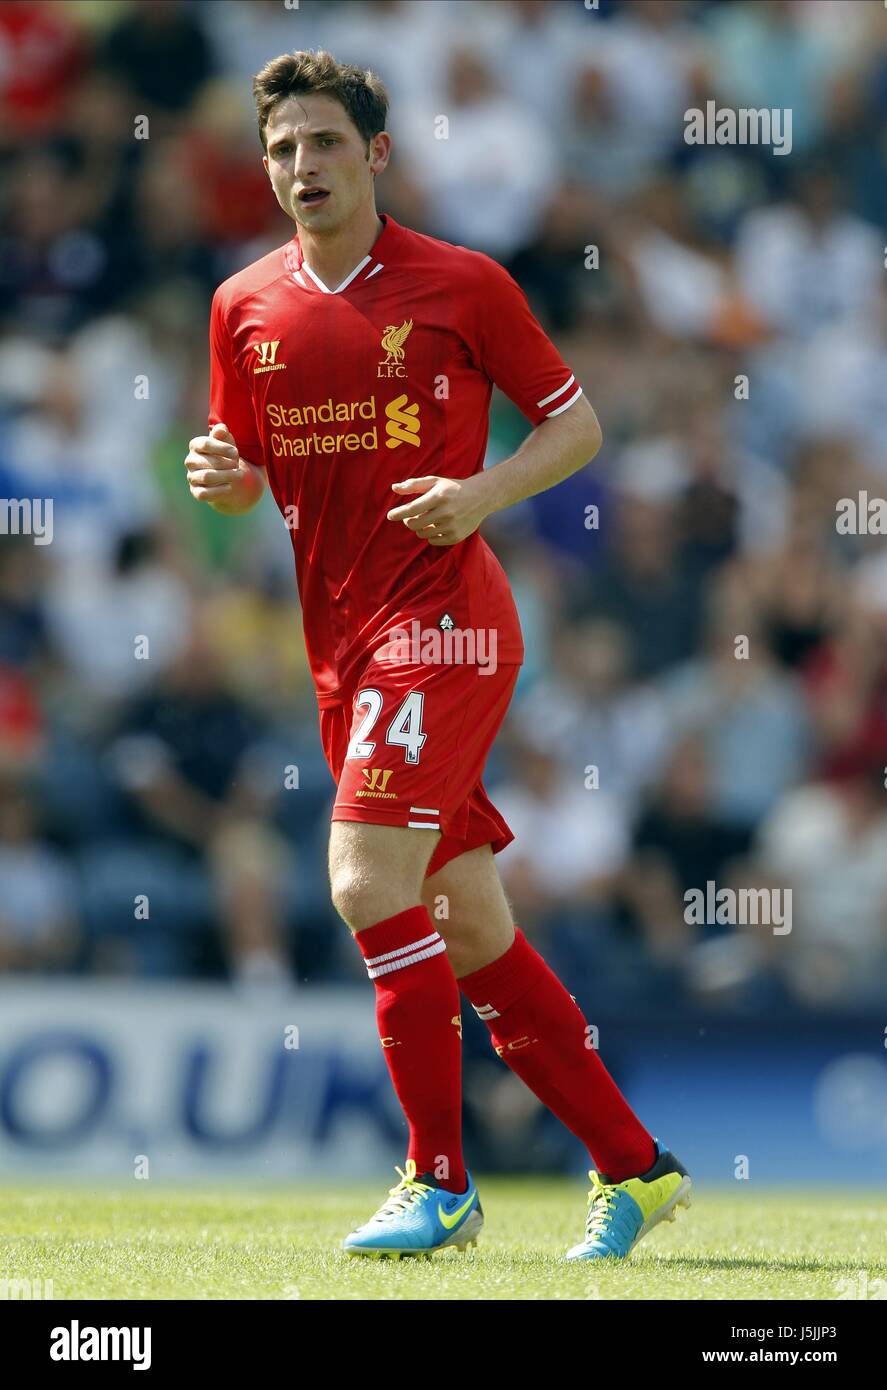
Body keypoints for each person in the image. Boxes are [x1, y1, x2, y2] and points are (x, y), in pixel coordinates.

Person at [184, 48, 690, 1262]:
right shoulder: (240, 305)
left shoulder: (460, 284)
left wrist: (482, 493)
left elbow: (576, 423)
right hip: (340, 646)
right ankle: (638, 1169)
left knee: (364, 883)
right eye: (282, 149)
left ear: (377, 156)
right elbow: (240, 466)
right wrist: (223, 479)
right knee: (465, 925)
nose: (301, 166)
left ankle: (438, 1180)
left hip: (449, 625)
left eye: (323, 144)